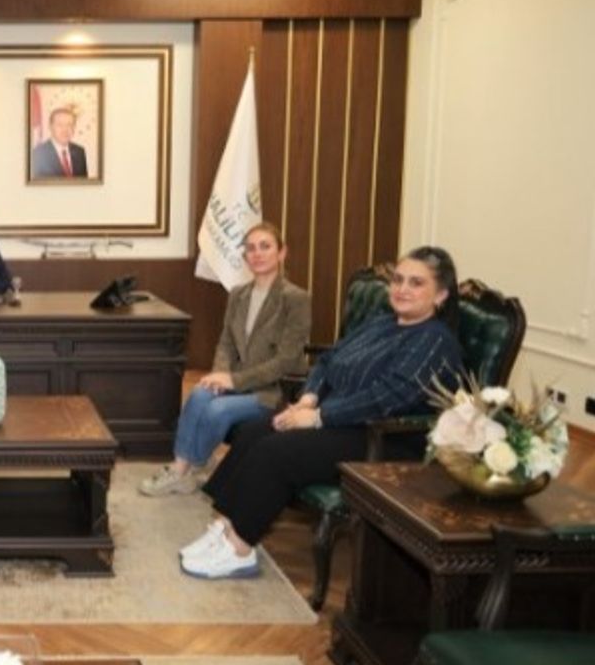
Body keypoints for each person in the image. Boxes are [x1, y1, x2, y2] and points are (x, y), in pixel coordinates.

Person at [180, 246, 464, 580]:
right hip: (340, 422)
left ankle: (240, 550)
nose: (402, 289)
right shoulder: (382, 323)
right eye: (398, 280)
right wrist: (308, 398)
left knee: (276, 451)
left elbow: (385, 398)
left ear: (441, 295)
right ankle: (224, 528)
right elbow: (328, 360)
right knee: (254, 431)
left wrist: (318, 417)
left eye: (416, 283)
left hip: (383, 439)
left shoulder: (435, 341)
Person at [140, 223, 311, 497]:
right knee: (199, 394)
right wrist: (219, 375)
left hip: (273, 391)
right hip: (236, 381)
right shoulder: (238, 294)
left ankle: (192, 466)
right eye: (251, 248)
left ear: (282, 253)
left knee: (216, 411)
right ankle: (181, 468)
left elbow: (287, 361)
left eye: (265, 246)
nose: (257, 253)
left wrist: (234, 380)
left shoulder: (296, 299)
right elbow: (226, 343)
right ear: (245, 256)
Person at [31, 107, 88, 178]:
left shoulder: (80, 151)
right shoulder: (37, 154)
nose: (65, 129)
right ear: (50, 127)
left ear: (74, 128)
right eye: (60, 125)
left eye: (69, 125)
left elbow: (83, 182)